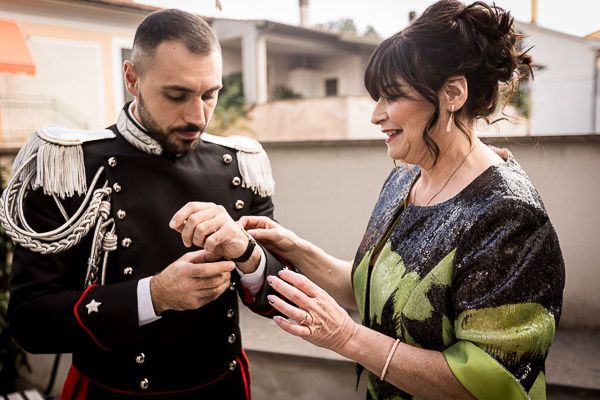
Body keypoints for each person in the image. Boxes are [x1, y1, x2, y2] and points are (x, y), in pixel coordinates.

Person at [241, 1, 565, 399]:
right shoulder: (405, 177)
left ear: (452, 94)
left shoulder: (509, 217)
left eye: (392, 97)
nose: (376, 115)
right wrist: (296, 247)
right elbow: (376, 287)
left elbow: (493, 383)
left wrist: (346, 337)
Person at [1, 9, 285, 399]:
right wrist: (154, 296)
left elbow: (279, 300)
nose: (198, 116)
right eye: (177, 95)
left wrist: (249, 255)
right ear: (132, 78)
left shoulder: (241, 166)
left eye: (210, 94)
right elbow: (30, 321)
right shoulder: (67, 167)